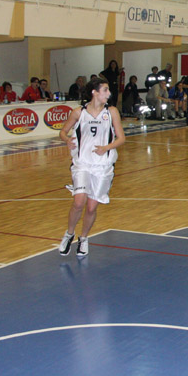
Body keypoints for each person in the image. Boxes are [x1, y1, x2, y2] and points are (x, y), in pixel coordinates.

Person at [57, 77, 125, 258]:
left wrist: (106, 148)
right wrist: (67, 140)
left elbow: (121, 138)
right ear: (95, 92)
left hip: (102, 166)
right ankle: (69, 234)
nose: (109, 93)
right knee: (79, 201)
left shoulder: (111, 112)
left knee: (91, 208)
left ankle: (84, 238)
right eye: (105, 90)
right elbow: (62, 132)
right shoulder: (79, 112)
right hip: (83, 163)